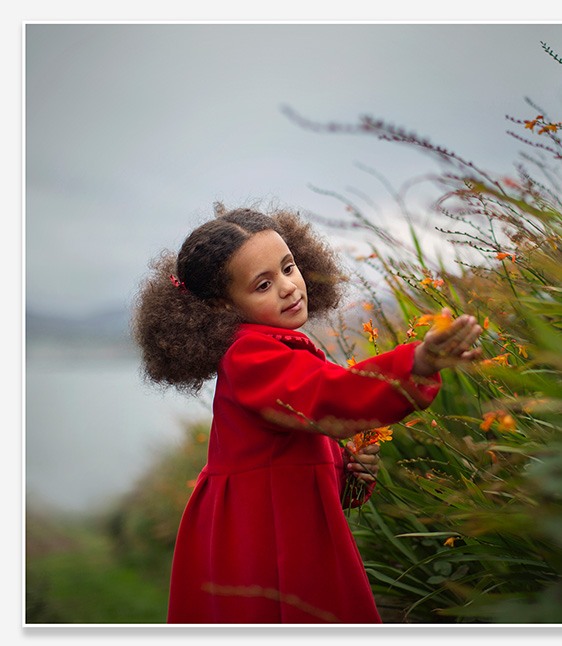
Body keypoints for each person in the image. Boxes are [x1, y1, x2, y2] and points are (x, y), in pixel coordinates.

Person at [132, 205, 482, 623]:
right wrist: (416, 364)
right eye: (263, 284)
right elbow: (329, 395)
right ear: (223, 306)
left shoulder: (272, 347)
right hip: (258, 537)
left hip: (272, 524)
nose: (288, 287)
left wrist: (347, 478)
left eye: (288, 267)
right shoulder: (249, 355)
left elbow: (293, 457)